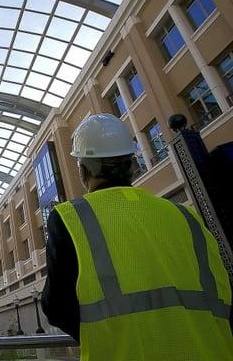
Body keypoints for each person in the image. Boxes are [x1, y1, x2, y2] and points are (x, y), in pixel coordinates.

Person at [41, 113, 233, 360]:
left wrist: (105, 332)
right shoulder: (186, 216)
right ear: (132, 164)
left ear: (82, 170)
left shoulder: (70, 218)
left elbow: (56, 306)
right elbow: (222, 287)